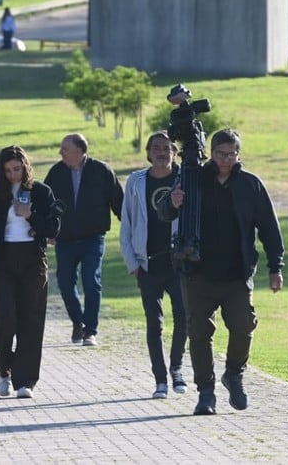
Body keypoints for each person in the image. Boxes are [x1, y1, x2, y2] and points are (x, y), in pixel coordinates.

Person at [158, 128, 285, 416]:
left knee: (243, 324)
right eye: (220, 154)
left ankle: (234, 374)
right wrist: (172, 202)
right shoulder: (193, 178)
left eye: (231, 154)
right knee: (200, 333)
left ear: (239, 154)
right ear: (210, 153)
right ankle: (206, 392)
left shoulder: (250, 185)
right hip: (198, 272)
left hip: (236, 275)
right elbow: (165, 213)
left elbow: (269, 229)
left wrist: (275, 267)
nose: (225, 159)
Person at [0, 146, 62, 399]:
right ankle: (4, 368)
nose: (13, 175)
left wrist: (30, 215)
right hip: (2, 261)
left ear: (25, 167)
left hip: (33, 260)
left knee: (31, 320)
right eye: (8, 170)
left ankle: (25, 381)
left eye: (17, 169)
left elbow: (53, 229)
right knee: (5, 317)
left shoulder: (41, 193)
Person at [119, 131, 187, 399]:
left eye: (167, 147)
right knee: (153, 323)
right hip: (148, 264)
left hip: (179, 262)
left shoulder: (186, 179)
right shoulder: (136, 182)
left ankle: (177, 369)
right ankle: (160, 379)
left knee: (183, 318)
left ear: (174, 152)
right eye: (156, 148)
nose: (161, 152)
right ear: (148, 153)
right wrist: (133, 263)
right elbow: (127, 224)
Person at [44, 133, 123, 346]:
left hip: (93, 239)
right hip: (65, 240)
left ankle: (90, 330)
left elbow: (119, 202)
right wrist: (47, 230)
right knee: (65, 284)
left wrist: (132, 230)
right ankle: (77, 321)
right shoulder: (56, 172)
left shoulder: (102, 171)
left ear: (79, 151)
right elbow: (44, 204)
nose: (61, 152)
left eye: (65, 149)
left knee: (91, 282)